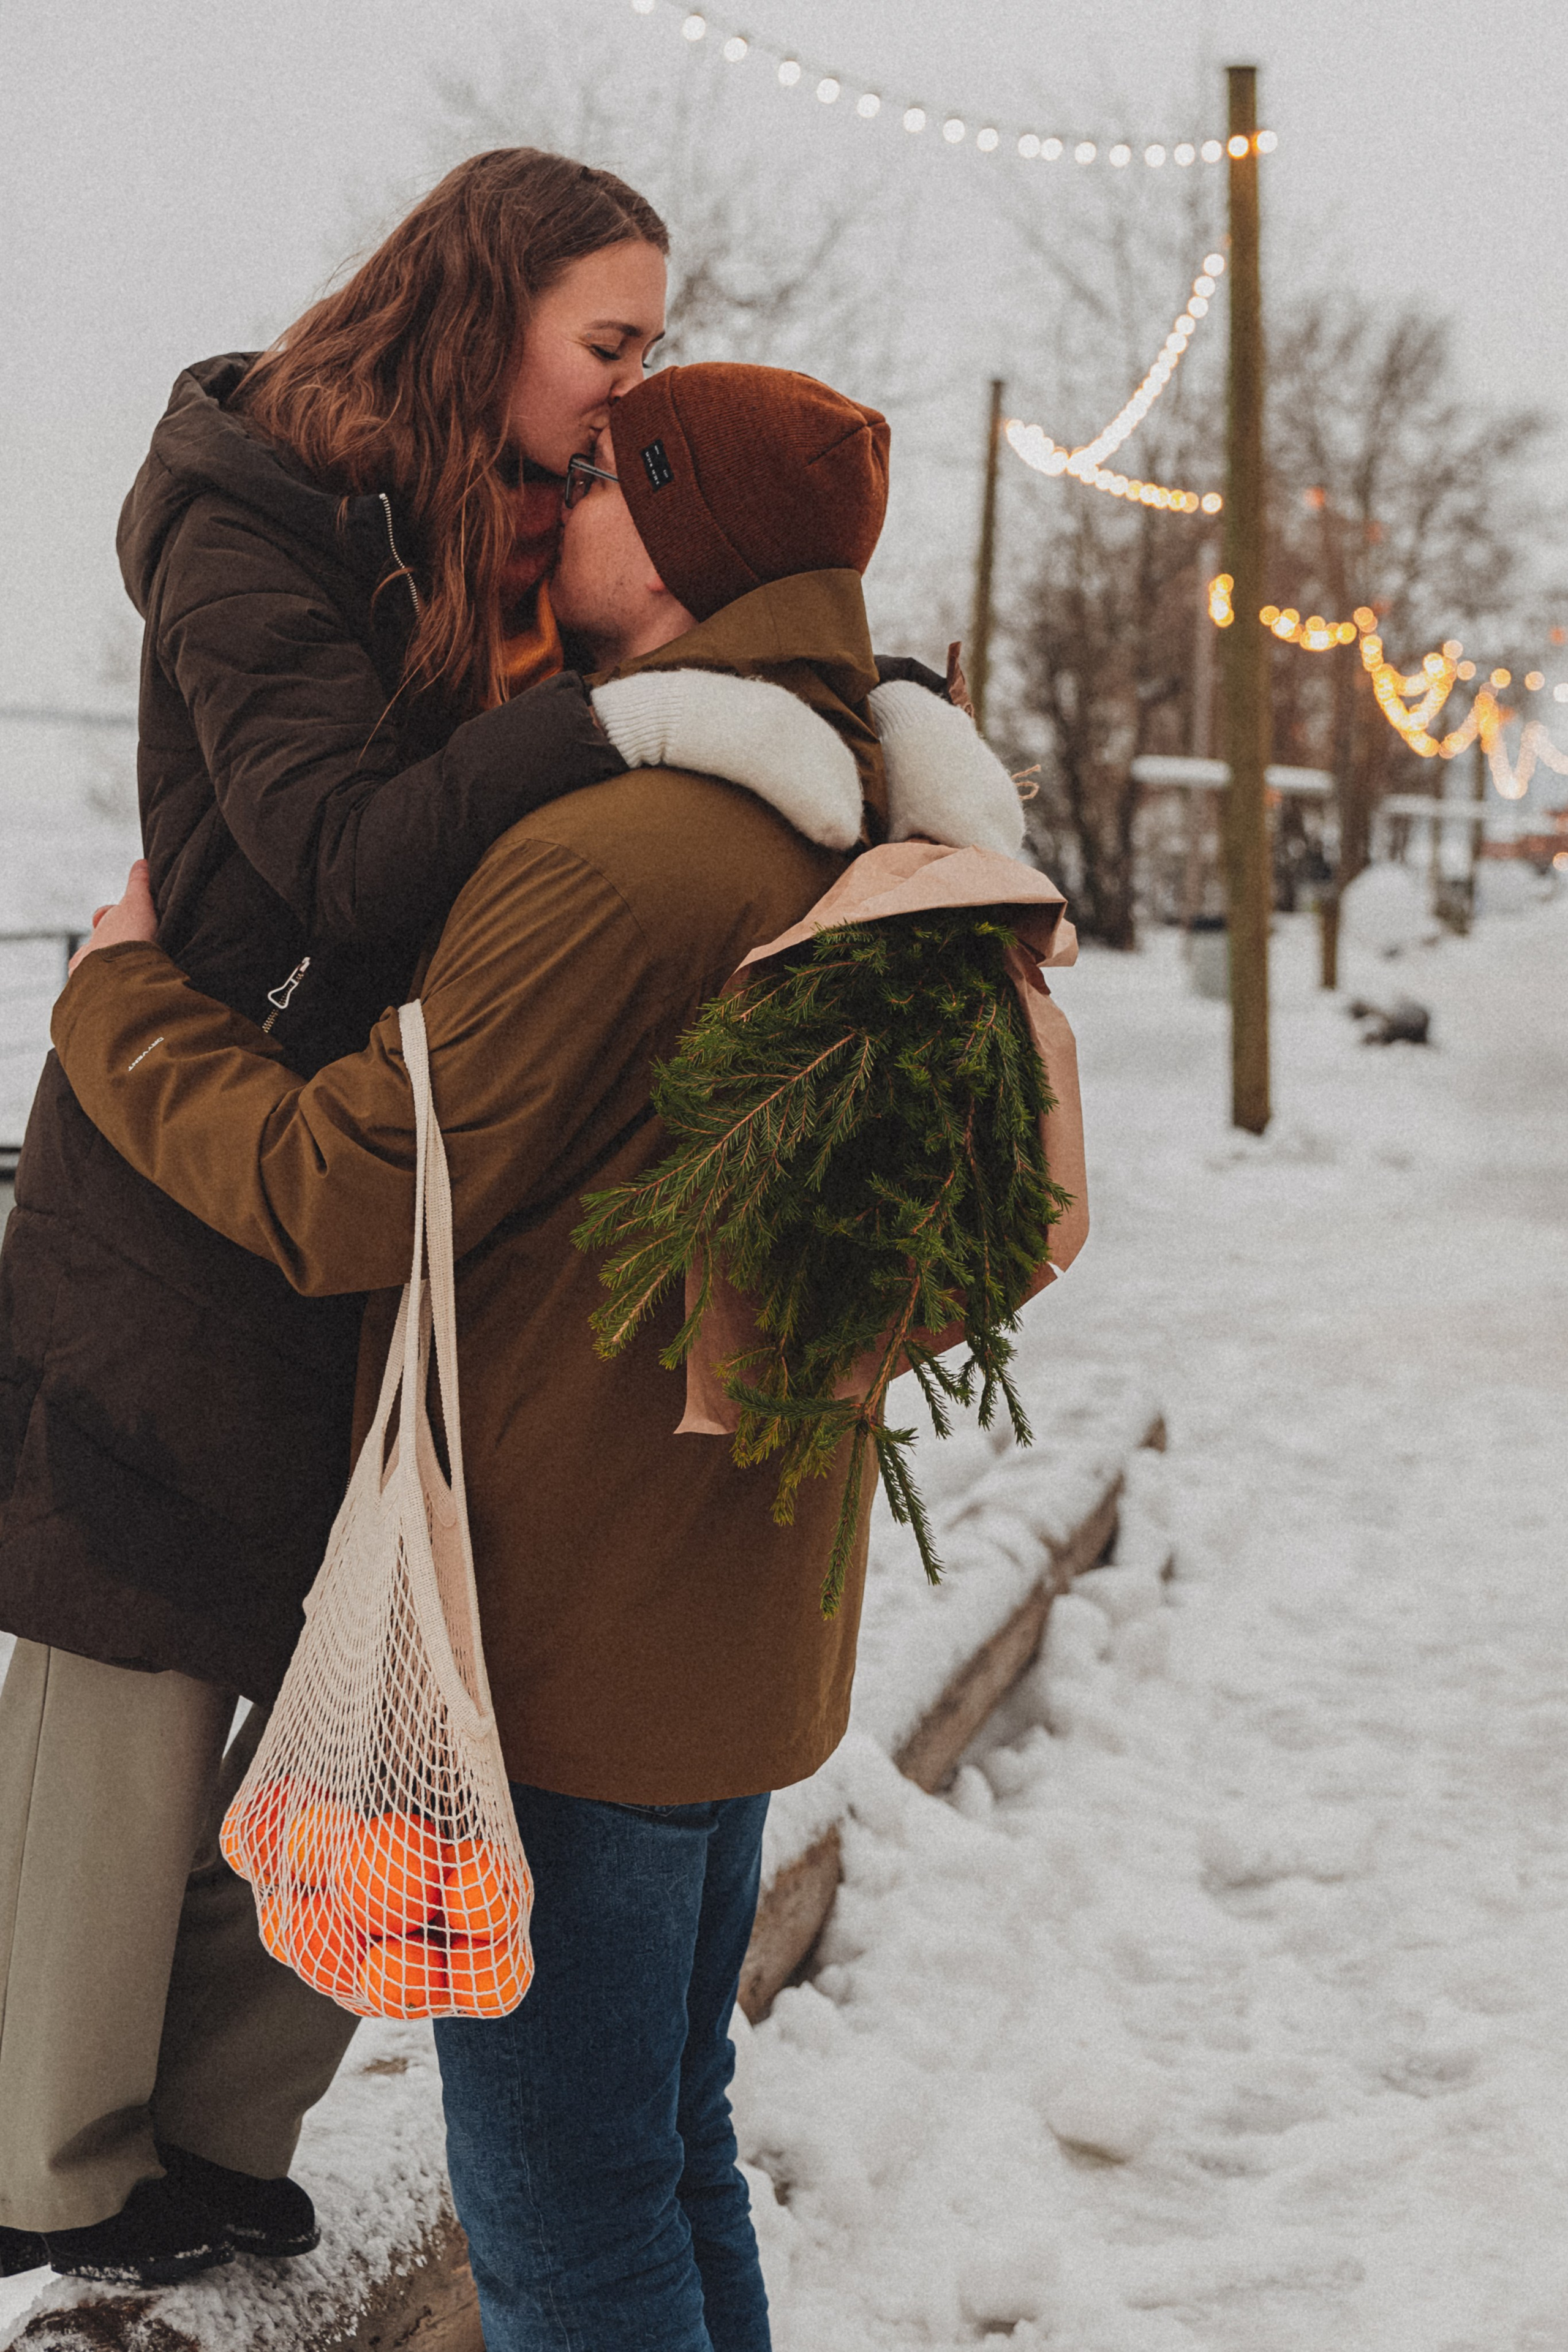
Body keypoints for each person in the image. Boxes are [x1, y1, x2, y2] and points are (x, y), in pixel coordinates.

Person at [48, 362, 1027, 2350]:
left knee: (571, 2224)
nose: (551, 505)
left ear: (670, 540)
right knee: (667, 2154)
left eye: (599, 477)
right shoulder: (861, 816)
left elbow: (348, 1188)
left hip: (572, 1651)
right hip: (731, 1613)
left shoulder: (631, 855)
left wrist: (124, 1008)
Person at [0, 146, 669, 2285]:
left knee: (331, 1682)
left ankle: (210, 2139)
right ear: (487, 313)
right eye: (612, 344)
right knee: (126, 1682)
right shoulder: (253, 513)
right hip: (176, 1181)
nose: (633, 393)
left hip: (369, 1168)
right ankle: (50, 2175)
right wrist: (613, 720)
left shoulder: (535, 533)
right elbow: (327, 852)